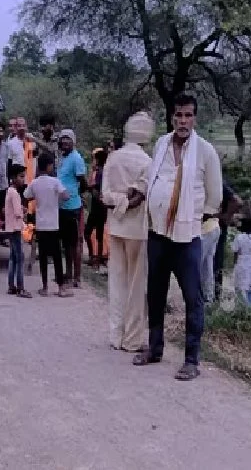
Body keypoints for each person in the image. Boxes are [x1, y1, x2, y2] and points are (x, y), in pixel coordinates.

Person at [132, 94, 223, 381]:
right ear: (171, 117)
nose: (183, 121)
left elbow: (215, 196)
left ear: (195, 118)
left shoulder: (205, 151)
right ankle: (155, 348)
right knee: (155, 293)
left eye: (188, 115)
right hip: (157, 234)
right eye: (178, 115)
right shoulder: (161, 144)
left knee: (192, 299)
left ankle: (191, 360)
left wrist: (193, 217)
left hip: (187, 238)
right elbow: (151, 178)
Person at [102, 112, 154, 352]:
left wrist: (118, 203)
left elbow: (105, 196)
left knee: (117, 280)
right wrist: (127, 201)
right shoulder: (148, 162)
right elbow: (141, 197)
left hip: (115, 225)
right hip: (137, 228)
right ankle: (132, 339)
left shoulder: (113, 158)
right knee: (136, 284)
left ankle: (115, 335)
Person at [24, 154, 72, 298]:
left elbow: (26, 195)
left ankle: (45, 287)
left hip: (41, 224)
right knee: (57, 256)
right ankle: (61, 288)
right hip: (53, 224)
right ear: (50, 166)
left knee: (43, 256)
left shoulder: (35, 183)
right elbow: (66, 196)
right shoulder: (55, 182)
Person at [57, 129, 88, 287]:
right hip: (62, 206)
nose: (65, 142)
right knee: (66, 244)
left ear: (73, 141)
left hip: (72, 207)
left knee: (74, 243)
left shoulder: (76, 158)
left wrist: (78, 194)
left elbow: (82, 181)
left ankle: (77, 278)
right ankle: (68, 274)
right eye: (63, 139)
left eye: (68, 139)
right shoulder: (63, 157)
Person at [213, 181, 243, 301]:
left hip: (215, 229)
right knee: (216, 263)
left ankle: (214, 296)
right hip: (216, 229)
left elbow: (237, 201)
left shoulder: (219, 183)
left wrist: (225, 216)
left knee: (214, 263)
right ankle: (214, 295)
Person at [5, 165, 31, 298]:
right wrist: (23, 211)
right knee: (20, 258)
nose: (23, 179)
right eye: (21, 176)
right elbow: (17, 213)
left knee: (13, 258)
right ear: (13, 178)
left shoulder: (9, 191)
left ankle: (11, 286)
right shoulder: (15, 193)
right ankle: (20, 288)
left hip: (10, 228)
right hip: (15, 228)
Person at [84, 148, 109, 267]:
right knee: (99, 234)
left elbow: (96, 189)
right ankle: (97, 259)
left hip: (97, 207)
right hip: (102, 207)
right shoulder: (104, 172)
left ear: (98, 159)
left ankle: (93, 257)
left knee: (88, 233)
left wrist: (88, 187)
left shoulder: (100, 172)